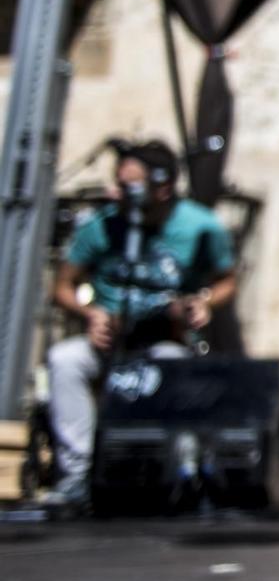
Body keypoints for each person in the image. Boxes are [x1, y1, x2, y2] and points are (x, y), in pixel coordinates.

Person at [42, 140, 237, 509]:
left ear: (162, 188)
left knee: (174, 368)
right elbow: (62, 286)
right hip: (109, 337)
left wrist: (204, 302)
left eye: (130, 186)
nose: (116, 193)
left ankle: (177, 474)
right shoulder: (101, 226)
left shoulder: (201, 226)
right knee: (64, 361)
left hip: (165, 338)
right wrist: (89, 314)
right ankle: (76, 477)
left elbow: (227, 279)